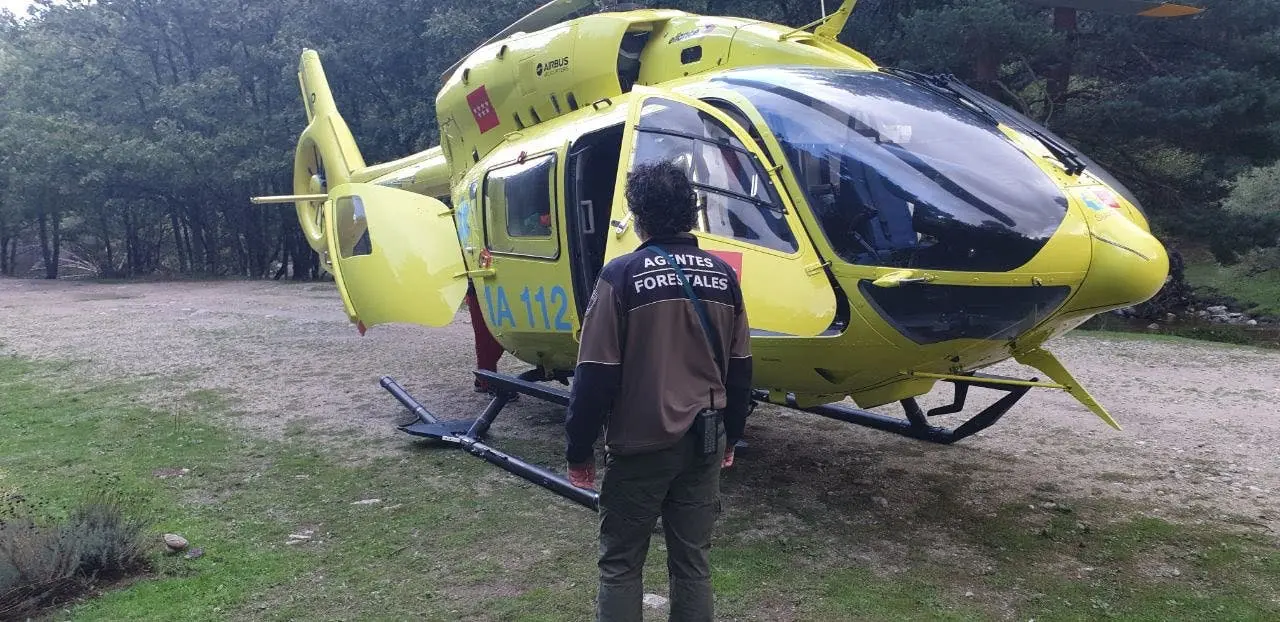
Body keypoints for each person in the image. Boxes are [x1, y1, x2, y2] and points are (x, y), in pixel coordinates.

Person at [564, 160, 752, 622]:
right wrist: (731, 434)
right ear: (690, 211)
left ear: (638, 214)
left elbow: (595, 374)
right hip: (705, 441)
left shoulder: (620, 276)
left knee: (621, 563)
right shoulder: (724, 276)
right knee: (693, 563)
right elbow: (741, 368)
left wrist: (579, 449)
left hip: (641, 445)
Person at [464, 279, 507, 394]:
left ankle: (484, 377)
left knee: (499, 337)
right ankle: (487, 381)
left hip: (495, 285)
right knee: (487, 338)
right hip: (480, 288)